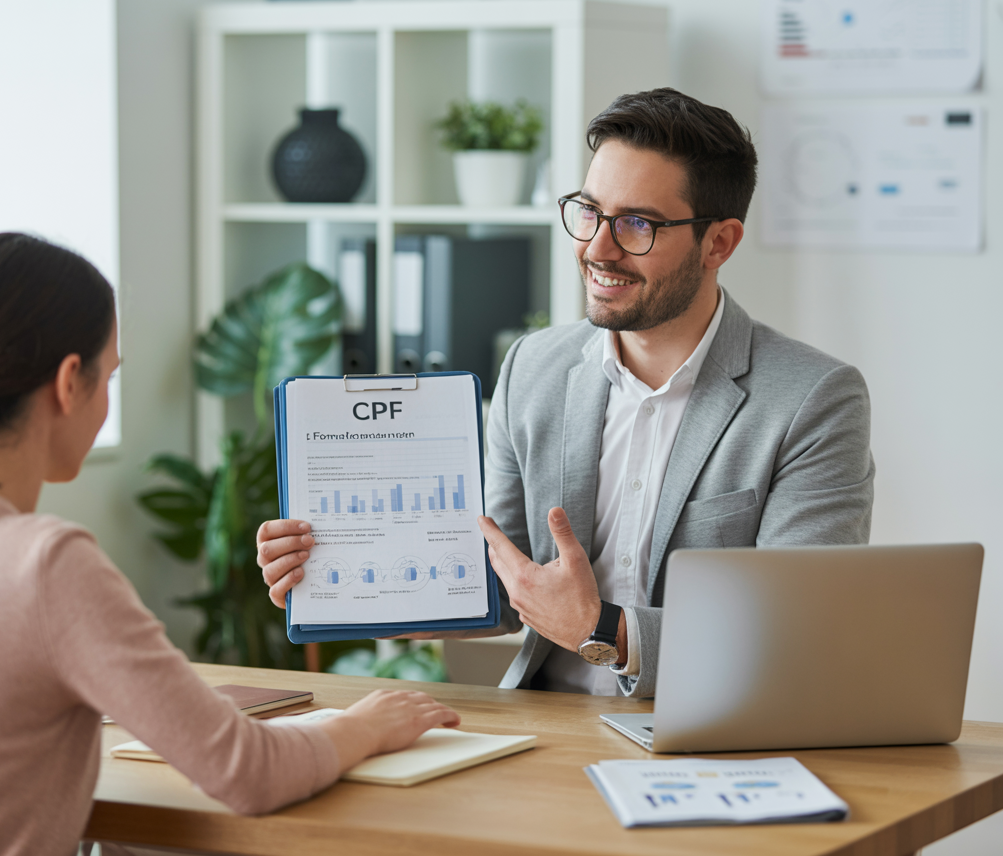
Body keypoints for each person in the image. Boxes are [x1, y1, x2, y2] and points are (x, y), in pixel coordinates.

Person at [0, 233, 459, 856]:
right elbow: (248, 773)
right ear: (68, 382)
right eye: (109, 374)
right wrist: (364, 724)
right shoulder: (43, 565)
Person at [257, 88, 874, 699]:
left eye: (638, 224)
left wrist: (600, 629)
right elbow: (499, 590)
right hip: (547, 730)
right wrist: (335, 586)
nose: (597, 249)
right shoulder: (533, 366)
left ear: (719, 243)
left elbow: (796, 633)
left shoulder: (813, 399)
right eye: (589, 211)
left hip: (717, 736)